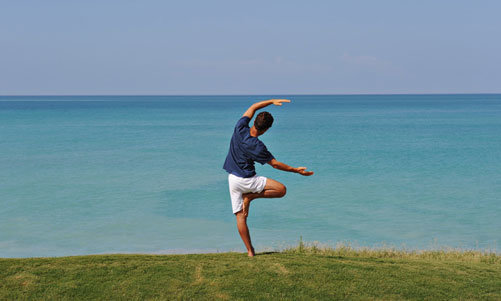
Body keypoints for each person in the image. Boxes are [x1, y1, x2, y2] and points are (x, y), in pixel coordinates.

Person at [223, 99, 314, 257]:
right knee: (281, 190)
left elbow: (252, 106)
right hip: (249, 180)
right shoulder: (258, 146)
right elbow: (275, 164)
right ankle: (250, 196)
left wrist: (271, 101)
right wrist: (296, 170)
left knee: (240, 217)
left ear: (254, 121)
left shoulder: (239, 127)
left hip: (233, 180)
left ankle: (250, 252)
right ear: (266, 130)